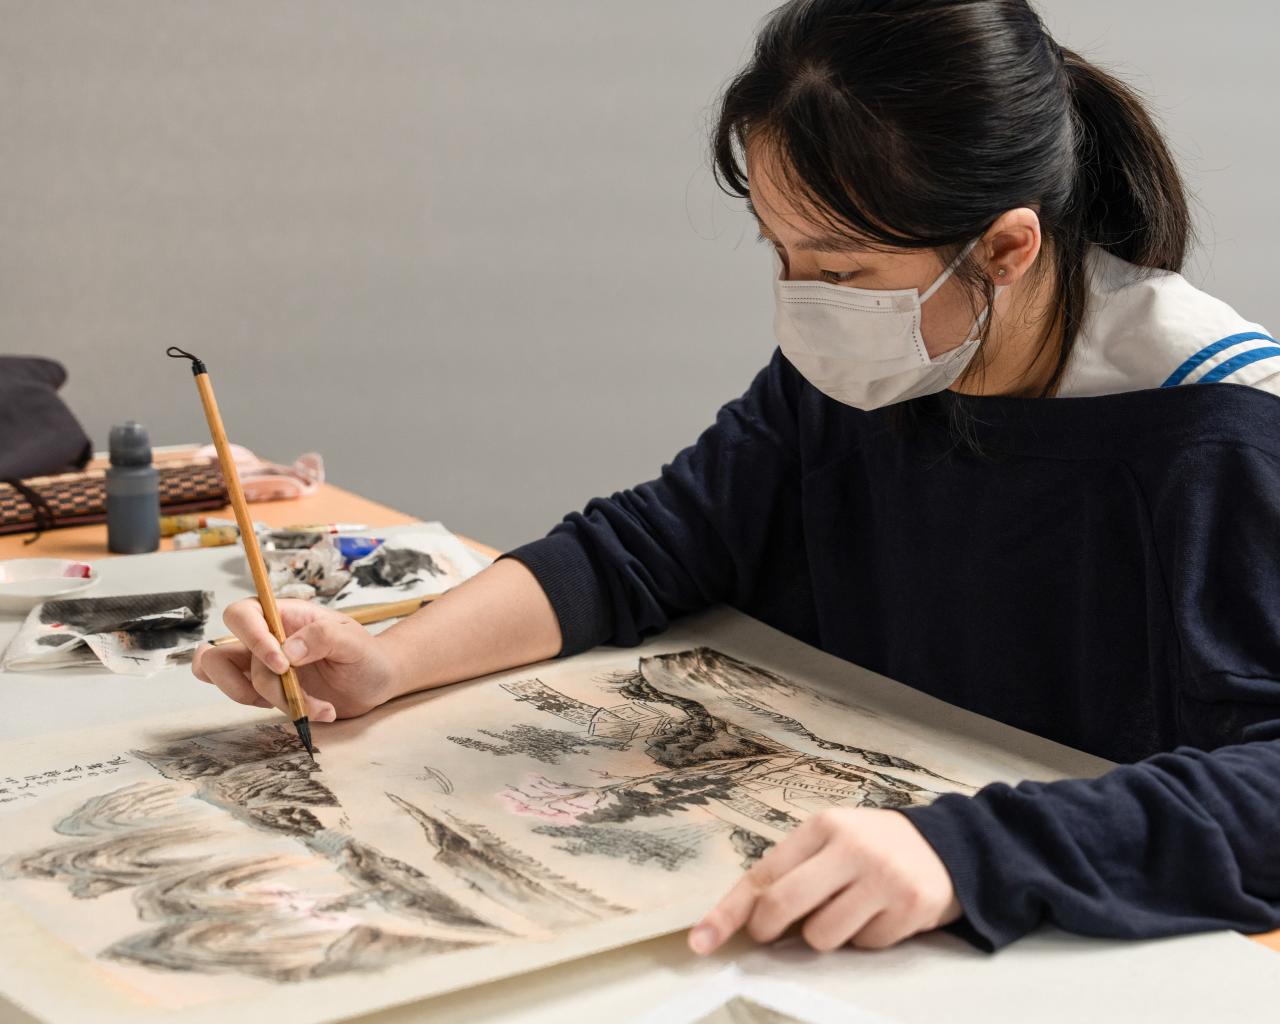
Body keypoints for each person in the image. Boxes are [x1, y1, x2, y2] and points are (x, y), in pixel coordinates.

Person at [195, 0, 1280, 957]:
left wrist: (968, 853)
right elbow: (649, 546)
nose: (806, 302)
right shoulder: (880, 359)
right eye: (779, 252)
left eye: (842, 268)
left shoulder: (1220, 433)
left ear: (1005, 247)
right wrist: (390, 661)